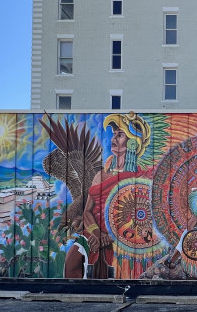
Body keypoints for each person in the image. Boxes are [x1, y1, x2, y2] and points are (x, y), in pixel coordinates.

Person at [65, 112, 163, 278]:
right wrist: (97, 233)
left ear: (133, 141)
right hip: (94, 232)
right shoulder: (101, 175)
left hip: (126, 237)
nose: (114, 139)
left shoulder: (141, 178)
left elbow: (146, 217)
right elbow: (87, 211)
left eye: (120, 135)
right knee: (71, 262)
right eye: (113, 135)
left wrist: (110, 237)